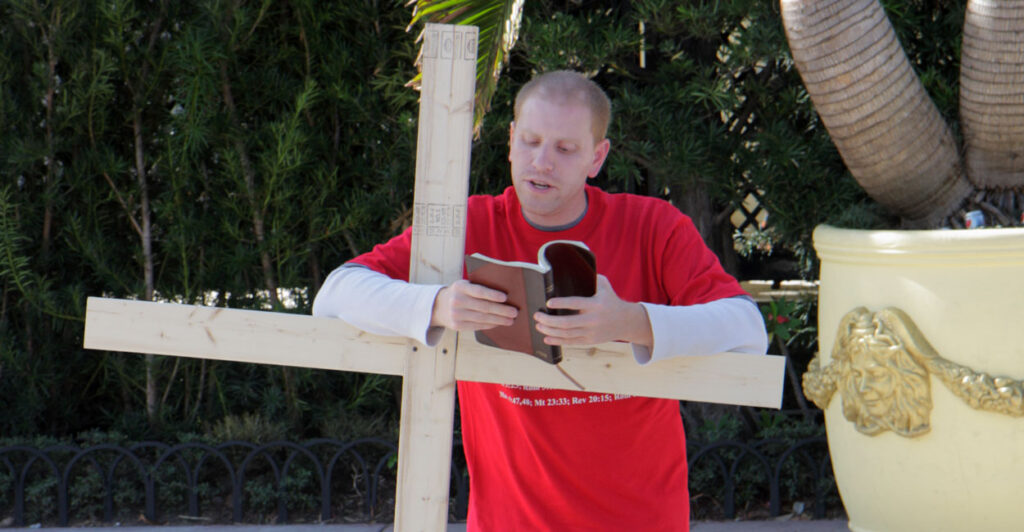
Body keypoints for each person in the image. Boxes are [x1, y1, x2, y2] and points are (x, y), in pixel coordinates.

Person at [313, 70, 767, 531]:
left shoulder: (654, 226)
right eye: (530, 141)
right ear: (510, 141)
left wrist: (630, 322)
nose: (541, 162)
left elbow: (748, 330)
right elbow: (334, 294)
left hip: (642, 519)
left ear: (598, 157)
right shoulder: (468, 225)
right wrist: (438, 305)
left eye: (565, 149)